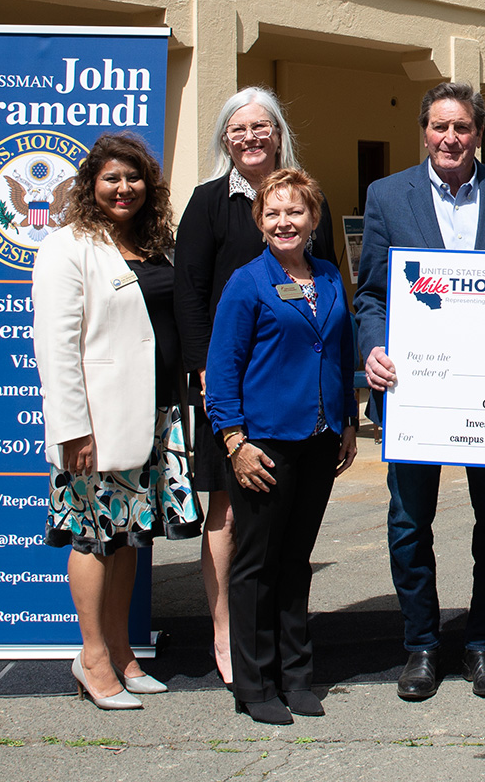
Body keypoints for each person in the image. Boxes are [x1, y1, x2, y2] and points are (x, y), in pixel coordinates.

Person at [356, 82, 485, 701]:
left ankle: (484, 642)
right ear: (424, 132)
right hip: (417, 389)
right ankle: (422, 645)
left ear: (478, 135)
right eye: (439, 127)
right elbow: (371, 295)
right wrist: (372, 347)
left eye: (462, 128)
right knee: (409, 520)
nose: (450, 139)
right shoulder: (388, 194)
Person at [175, 87, 338, 684]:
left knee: (283, 534)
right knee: (227, 513)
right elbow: (189, 291)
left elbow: (332, 299)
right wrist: (204, 371)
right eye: (238, 128)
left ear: (277, 133)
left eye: (261, 127)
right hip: (229, 388)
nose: (250, 137)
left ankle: (274, 645)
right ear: (225, 138)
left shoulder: (302, 196)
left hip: (293, 391)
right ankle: (226, 634)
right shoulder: (208, 202)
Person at [33, 132, 200, 710]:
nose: (123, 188)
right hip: (97, 421)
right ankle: (92, 658)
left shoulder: (156, 244)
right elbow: (55, 346)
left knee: (128, 536)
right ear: (91, 185)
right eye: (111, 178)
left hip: (152, 412)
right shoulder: (68, 246)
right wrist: (73, 427)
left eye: (134, 178)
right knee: (90, 535)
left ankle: (124, 652)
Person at [205, 168, 357, 725]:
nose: (284, 221)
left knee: (296, 563)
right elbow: (222, 370)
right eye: (273, 213)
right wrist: (235, 440)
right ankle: (254, 683)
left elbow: (339, 352)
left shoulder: (328, 276)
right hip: (263, 444)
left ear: (313, 219)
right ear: (260, 223)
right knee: (256, 565)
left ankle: (297, 676)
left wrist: (346, 420)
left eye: (295, 211)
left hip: (319, 441)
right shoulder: (247, 282)